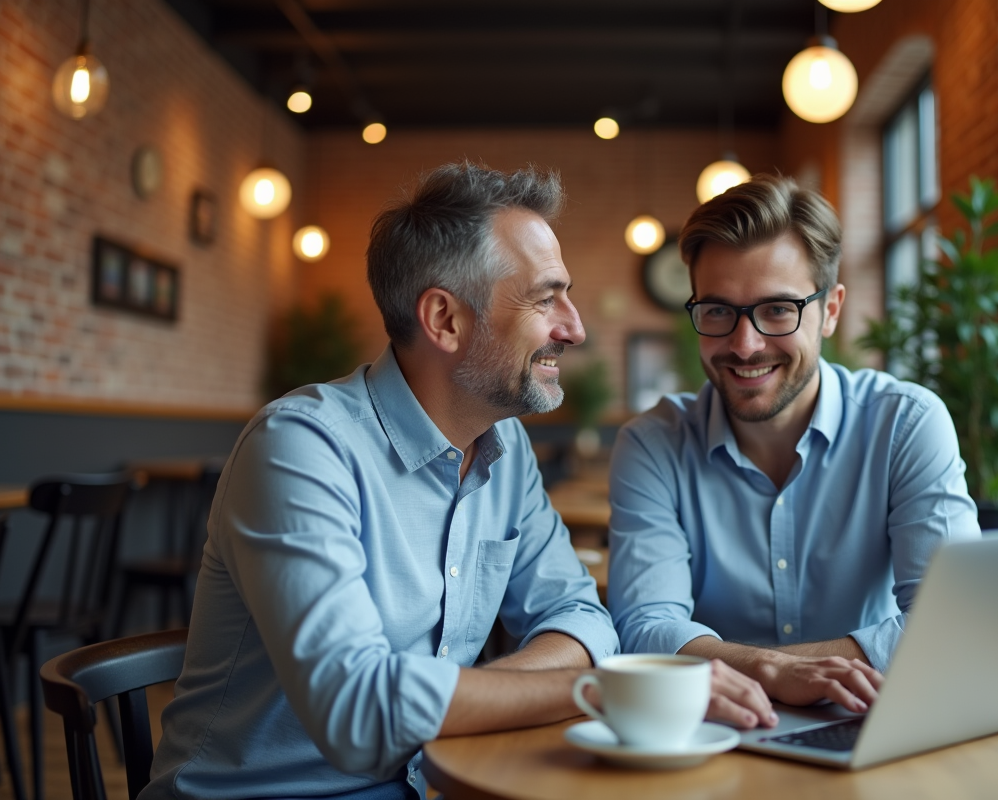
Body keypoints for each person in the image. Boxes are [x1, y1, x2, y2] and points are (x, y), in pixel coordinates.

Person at [142, 163, 634, 800]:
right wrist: (595, 689)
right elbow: (358, 711)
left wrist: (481, 694)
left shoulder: (505, 448)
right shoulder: (301, 448)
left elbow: (580, 617)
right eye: (546, 299)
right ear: (445, 320)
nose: (574, 328)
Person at [607, 174, 982, 725]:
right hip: (722, 737)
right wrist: (774, 671)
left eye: (778, 309)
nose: (744, 344)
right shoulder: (652, 445)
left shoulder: (905, 423)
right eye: (717, 311)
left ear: (830, 309)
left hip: (877, 725)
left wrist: (761, 667)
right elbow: (646, 627)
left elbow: (953, 622)